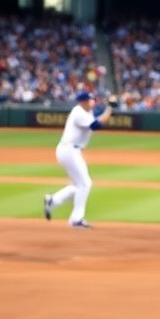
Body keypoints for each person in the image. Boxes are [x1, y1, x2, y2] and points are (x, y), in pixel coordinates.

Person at [43, 89, 114, 228]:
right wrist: (110, 108)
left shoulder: (86, 111)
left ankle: (53, 201)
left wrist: (107, 104)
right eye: (89, 100)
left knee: (77, 185)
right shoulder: (78, 113)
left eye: (91, 100)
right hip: (69, 150)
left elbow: (98, 113)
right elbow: (96, 125)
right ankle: (76, 219)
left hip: (69, 150)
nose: (91, 102)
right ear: (82, 102)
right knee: (85, 183)